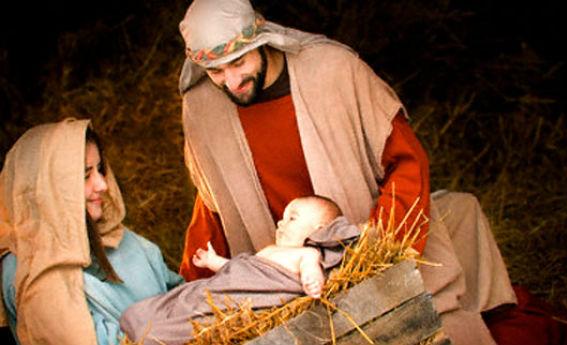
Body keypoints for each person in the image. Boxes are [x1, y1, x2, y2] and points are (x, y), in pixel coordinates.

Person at [176, 0, 516, 344]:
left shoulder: (334, 70)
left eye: (238, 62)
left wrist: (381, 247)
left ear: (260, 39)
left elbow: (406, 161)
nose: (231, 82)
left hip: (362, 241)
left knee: (425, 321)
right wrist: (193, 287)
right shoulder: (202, 106)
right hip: (280, 269)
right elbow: (212, 199)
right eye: (216, 71)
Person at [0, 118, 183, 345]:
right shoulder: (33, 272)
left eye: (100, 170)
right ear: (48, 188)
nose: (102, 185)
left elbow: (181, 294)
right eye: (86, 175)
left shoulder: (119, 238)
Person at [120, 195, 360, 345]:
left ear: (317, 230)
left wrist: (312, 282)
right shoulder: (269, 250)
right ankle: (147, 320)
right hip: (220, 288)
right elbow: (239, 269)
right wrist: (213, 262)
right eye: (283, 218)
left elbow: (311, 270)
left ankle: (156, 333)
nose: (281, 223)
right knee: (179, 301)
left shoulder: (306, 254)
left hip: (236, 300)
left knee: (193, 319)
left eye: (292, 218)